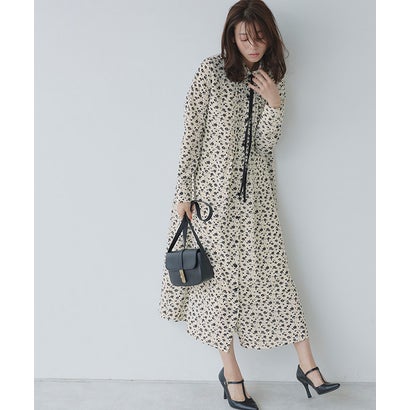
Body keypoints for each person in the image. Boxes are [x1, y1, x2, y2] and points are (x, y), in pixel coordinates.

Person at [160, 1, 340, 408]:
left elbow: (265, 144)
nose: (253, 46)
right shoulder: (210, 72)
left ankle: (307, 365)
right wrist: (182, 194)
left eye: (259, 38)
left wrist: (274, 102)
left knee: (276, 276)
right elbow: (191, 134)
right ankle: (232, 375)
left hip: (257, 203)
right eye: (244, 38)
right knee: (218, 288)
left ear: (269, 38)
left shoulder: (272, 78)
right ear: (232, 38)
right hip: (211, 202)